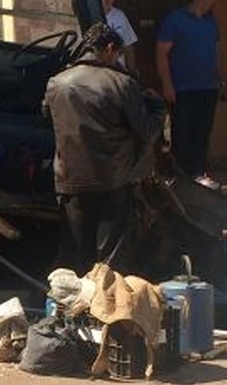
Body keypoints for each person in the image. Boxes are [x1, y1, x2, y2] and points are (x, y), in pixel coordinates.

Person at [44, 23, 166, 274]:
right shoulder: (123, 83)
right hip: (113, 179)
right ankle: (104, 308)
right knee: (110, 260)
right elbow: (145, 130)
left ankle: (78, 308)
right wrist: (158, 109)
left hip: (70, 180)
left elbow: (47, 113)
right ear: (110, 49)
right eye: (118, 54)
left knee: (77, 254)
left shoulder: (57, 82)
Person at [155, 0, 224, 188]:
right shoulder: (174, 20)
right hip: (183, 89)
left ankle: (198, 173)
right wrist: (167, 85)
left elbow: (217, 51)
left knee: (202, 133)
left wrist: (222, 78)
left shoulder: (211, 22)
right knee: (182, 133)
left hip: (208, 87)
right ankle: (179, 177)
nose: (214, 1)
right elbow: (161, 53)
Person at [98, 0, 138, 72]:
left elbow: (128, 47)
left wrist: (132, 72)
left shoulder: (120, 16)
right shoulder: (88, 16)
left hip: (118, 74)